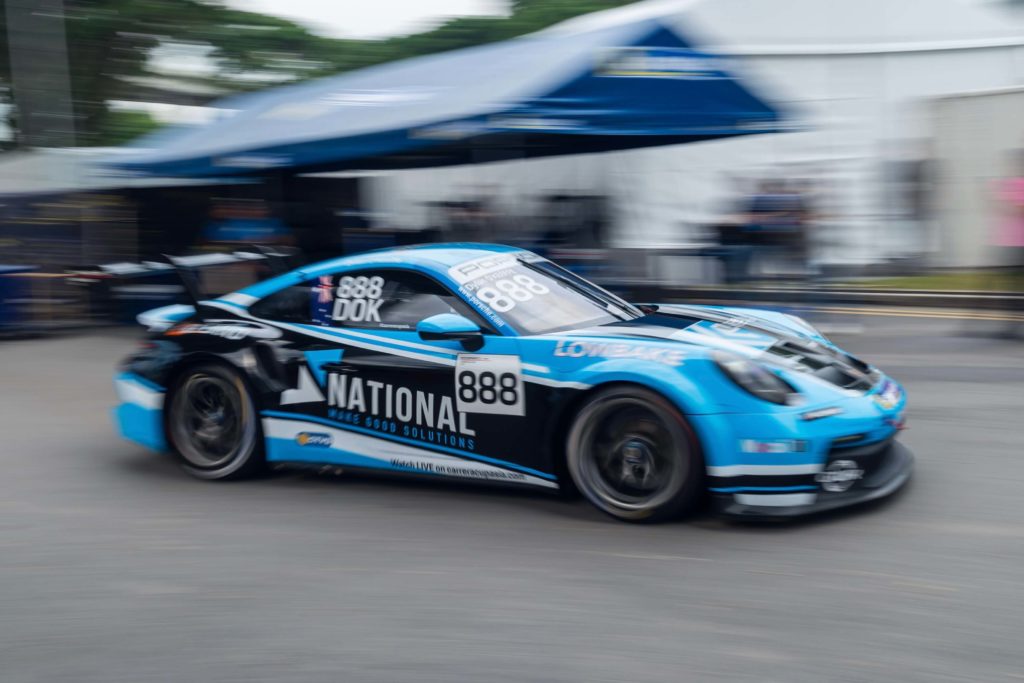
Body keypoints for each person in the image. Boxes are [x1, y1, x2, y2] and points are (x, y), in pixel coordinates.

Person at [994, 149, 1024, 337]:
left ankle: (1013, 327)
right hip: (1007, 242)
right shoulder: (1004, 184)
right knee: (1010, 290)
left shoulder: (1019, 184)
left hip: (1020, 243)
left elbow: (1019, 209)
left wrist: (1006, 205)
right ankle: (1011, 327)